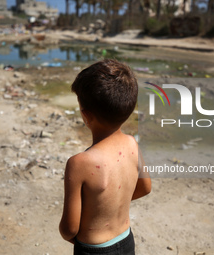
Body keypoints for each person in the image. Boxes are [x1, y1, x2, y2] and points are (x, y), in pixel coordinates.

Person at [59, 59, 151, 255]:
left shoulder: (79, 163)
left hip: (93, 249)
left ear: (85, 114)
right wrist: (111, 206)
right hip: (126, 240)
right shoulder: (132, 144)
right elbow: (145, 187)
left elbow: (69, 229)